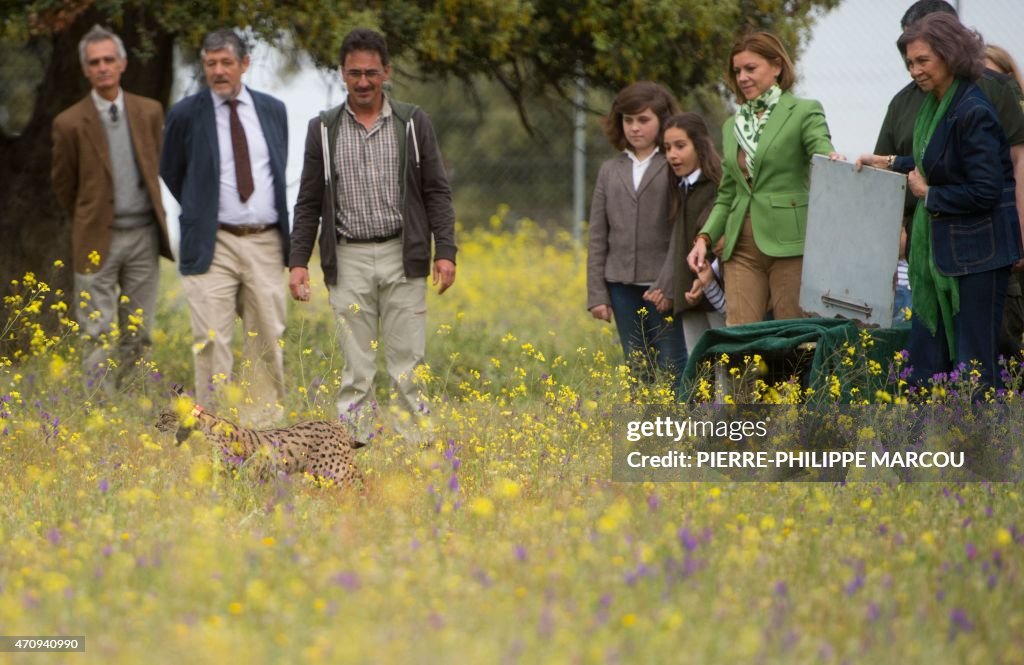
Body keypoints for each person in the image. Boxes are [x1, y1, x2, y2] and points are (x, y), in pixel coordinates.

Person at [289, 28, 457, 443]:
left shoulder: (413, 124)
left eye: (371, 72)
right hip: (348, 259)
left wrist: (445, 251)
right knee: (356, 366)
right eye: (353, 73)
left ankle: (417, 449)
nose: (363, 82)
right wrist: (297, 262)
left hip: (404, 253)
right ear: (342, 74)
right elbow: (308, 201)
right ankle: (352, 449)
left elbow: (437, 190)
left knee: (408, 362)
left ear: (387, 72)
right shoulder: (323, 130)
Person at [856, 13, 1022, 389]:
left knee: (974, 365)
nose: (914, 70)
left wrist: (929, 194)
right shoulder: (939, 106)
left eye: (922, 61)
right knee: (951, 367)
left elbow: (985, 189)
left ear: (949, 55)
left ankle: (984, 446)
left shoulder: (973, 111)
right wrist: (886, 161)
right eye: (910, 63)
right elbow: (939, 160)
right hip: (953, 255)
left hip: (979, 257)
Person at [160, 29, 290, 422]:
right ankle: (214, 430)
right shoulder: (185, 114)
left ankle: (263, 430)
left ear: (244, 64)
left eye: (226, 63)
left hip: (265, 241)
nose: (218, 71)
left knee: (266, 335)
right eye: (210, 63)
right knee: (211, 340)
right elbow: (171, 171)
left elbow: (277, 166)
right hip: (211, 242)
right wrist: (202, 209)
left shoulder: (273, 110)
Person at [686, 31, 841, 327]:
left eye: (750, 69)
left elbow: (820, 147)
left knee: (793, 335)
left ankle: (791, 377)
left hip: (791, 244)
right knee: (739, 338)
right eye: (737, 71)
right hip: (741, 247)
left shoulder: (804, 111)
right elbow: (727, 195)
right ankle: (745, 378)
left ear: (777, 67)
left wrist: (830, 157)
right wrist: (704, 239)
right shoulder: (733, 125)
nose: (742, 77)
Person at [51, 25, 172, 394]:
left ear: (122, 63)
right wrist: (93, 214)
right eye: (94, 62)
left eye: (108, 60)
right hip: (96, 236)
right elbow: (64, 186)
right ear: (86, 69)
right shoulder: (69, 123)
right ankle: (98, 406)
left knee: (139, 329)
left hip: (143, 236)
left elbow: (160, 166)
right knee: (95, 330)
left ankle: (134, 401)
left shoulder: (149, 111)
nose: (102, 67)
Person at [587, 81, 684, 384]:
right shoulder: (609, 170)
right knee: (637, 363)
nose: (634, 128)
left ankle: (679, 427)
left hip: (662, 287)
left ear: (663, 121)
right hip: (620, 286)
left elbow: (681, 232)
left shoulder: (673, 165)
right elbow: (597, 236)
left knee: (672, 359)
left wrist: (668, 284)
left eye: (643, 120)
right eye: (628, 120)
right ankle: (644, 428)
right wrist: (597, 294)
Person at [645, 112, 725, 354]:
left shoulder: (717, 188)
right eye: (667, 148)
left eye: (680, 146)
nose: (672, 155)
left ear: (699, 146)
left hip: (718, 296)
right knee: (698, 366)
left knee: (726, 362)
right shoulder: (680, 189)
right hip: (687, 297)